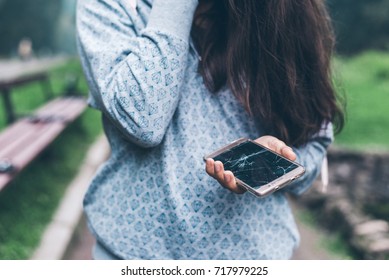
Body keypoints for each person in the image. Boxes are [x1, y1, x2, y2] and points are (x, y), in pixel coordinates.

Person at [76, 0, 344, 260]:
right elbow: (143, 121)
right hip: (133, 255)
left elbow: (315, 140)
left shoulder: (276, 10)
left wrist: (272, 165)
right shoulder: (113, 5)